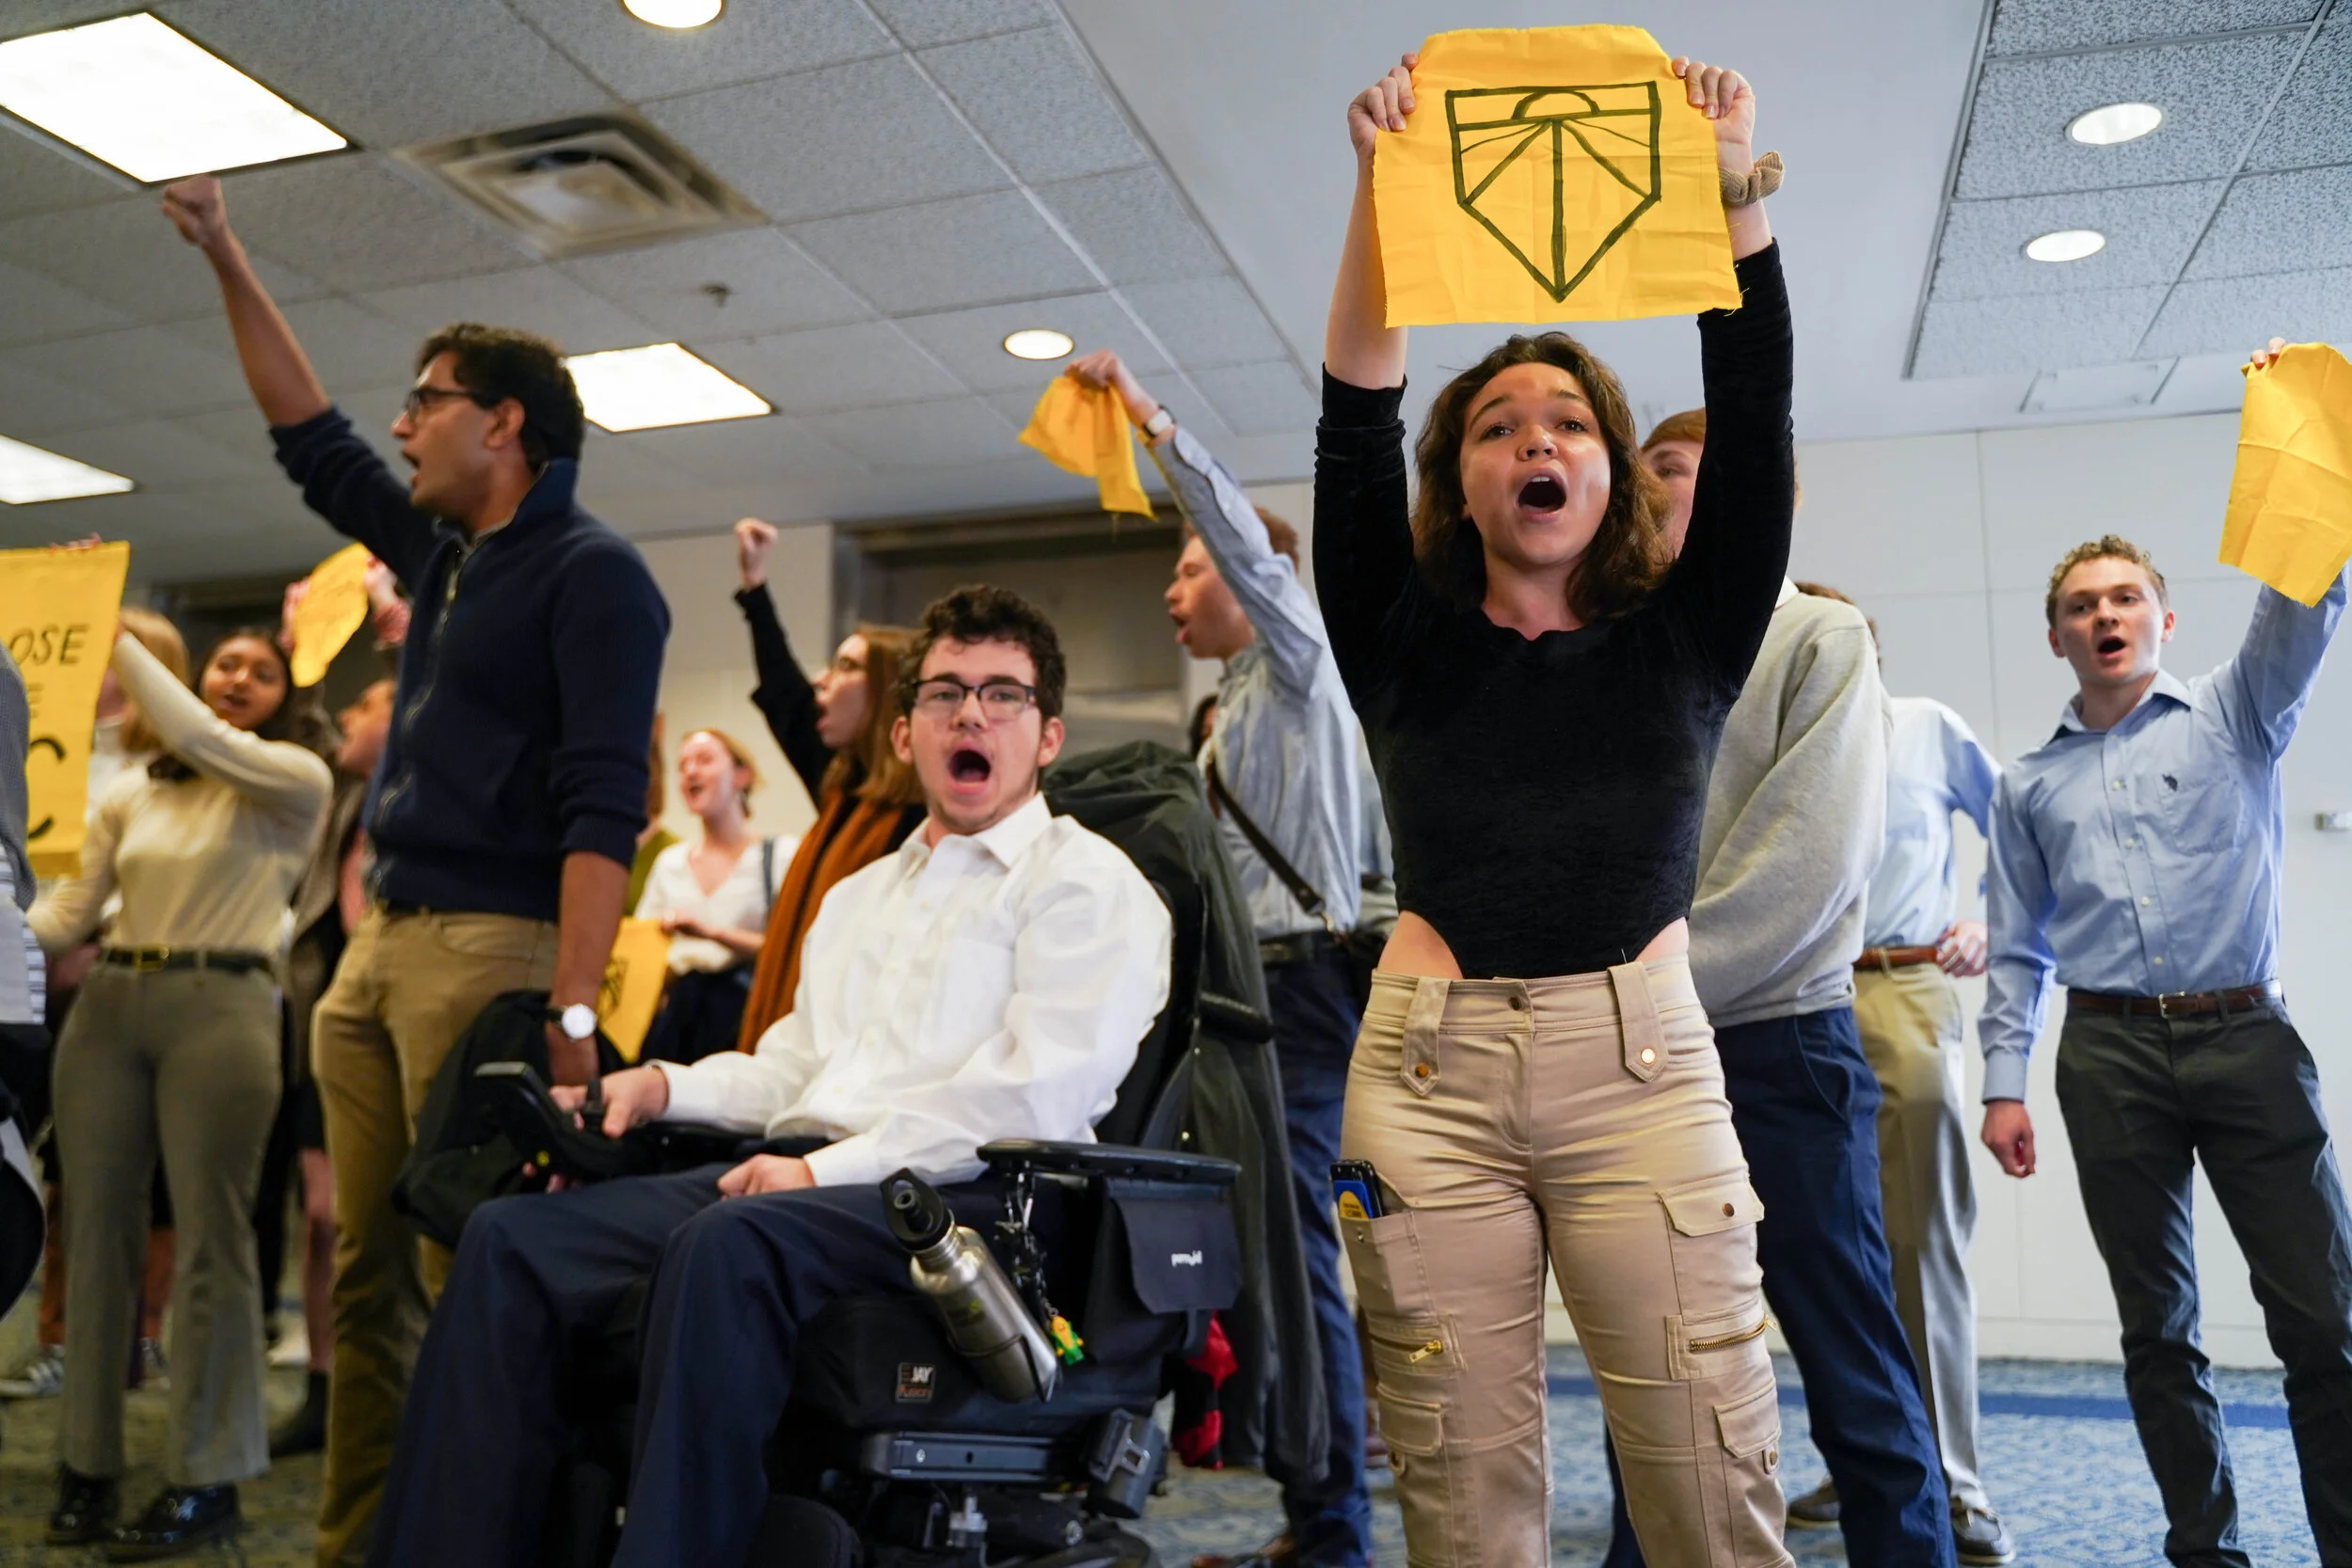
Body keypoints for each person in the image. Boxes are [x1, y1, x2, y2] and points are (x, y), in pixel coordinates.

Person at [369, 584, 1173, 1568]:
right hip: (808, 1179)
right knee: (508, 1238)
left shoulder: (1086, 883)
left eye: (1002, 694)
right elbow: (797, 1066)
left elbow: (1027, 1096)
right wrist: (663, 1085)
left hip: (974, 1201)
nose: (970, 712)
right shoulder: (860, 894)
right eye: (945, 691)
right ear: (908, 725)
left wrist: (820, 1173)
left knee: (725, 1242)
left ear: (1046, 735)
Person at [1319, 51, 1795, 1567]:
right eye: (1499, 424)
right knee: (1460, 1498)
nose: (1538, 440)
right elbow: (1351, 413)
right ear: (1460, 481)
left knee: (1711, 1483)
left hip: (1645, 1074)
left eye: (1572, 422)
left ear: (1614, 476)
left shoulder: (1693, 629)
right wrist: (1380, 189)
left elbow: (1757, 401)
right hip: (1418, 1081)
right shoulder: (1392, 633)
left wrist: (1729, 195)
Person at [159, 171, 670, 1567]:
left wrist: (571, 1018)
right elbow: (309, 438)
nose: (402, 423)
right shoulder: (446, 558)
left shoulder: (596, 575)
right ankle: (361, 1545)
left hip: (492, 959)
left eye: (429, 397)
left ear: (504, 424)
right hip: (379, 952)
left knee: (474, 1276)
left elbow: (602, 811)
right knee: (364, 1271)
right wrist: (227, 251)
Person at [1980, 466, 2352, 1566]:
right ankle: (2206, 1550)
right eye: (2081, 605)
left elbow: (2304, 596)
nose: (2105, 615)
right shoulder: (2027, 785)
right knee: (2157, 1329)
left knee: (2324, 1324)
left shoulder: (2237, 711)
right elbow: (2014, 941)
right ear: (2056, 637)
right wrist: (2003, 1081)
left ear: (2162, 617)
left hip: (2247, 1040)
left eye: (2124, 596)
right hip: (2107, 1057)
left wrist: (2306, 451)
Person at [1597, 429, 1953, 1568]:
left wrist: (1625, 998)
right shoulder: (1618, 652)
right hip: (1639, 1065)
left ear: (1759, 496)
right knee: (1648, 1378)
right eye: (1641, 462)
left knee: (1851, 1362)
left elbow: (1801, 879)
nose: (1641, 478)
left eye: (1670, 460)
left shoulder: (1820, 635)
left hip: (1774, 1049)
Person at [1064, 346, 1372, 1568]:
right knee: (1306, 1256)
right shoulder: (1236, 715)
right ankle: (1323, 1511)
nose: (1175, 589)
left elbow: (1245, 534)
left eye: (1193, 567)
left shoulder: (1299, 670)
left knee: (1303, 1259)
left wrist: (1148, 418)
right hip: (1270, 1009)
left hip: (1302, 1008)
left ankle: (1336, 1529)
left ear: (1261, 581)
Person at [29, 623, 332, 1557]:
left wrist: (110, 633)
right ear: (200, 672)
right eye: (225, 663)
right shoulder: (130, 790)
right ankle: (88, 1464)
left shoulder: (292, 777)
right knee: (93, 1236)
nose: (240, 677)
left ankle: (208, 1477)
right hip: (113, 1005)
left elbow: (195, 735)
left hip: (225, 1003)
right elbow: (67, 917)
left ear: (283, 693)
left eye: (261, 669)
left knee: (213, 1243)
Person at [1774, 589, 2010, 1561]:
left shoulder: (1924, 728)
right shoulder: (1770, 742)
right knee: (1825, 1256)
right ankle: (1864, 1455)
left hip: (1902, 990)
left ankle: (1954, 1482)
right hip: (1786, 1003)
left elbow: (2024, 835)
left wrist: (1991, 921)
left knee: (1921, 1246)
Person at [1, 607, 187, 1405]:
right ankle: (58, 1336)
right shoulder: (59, 747)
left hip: (153, 987)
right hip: (50, 973)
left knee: (143, 1181)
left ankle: (137, 1329)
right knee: (61, 1172)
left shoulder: (189, 766)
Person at [731, 518, 928, 1048]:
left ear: (889, 691)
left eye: (845, 667)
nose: (822, 680)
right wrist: (755, 588)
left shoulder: (924, 819)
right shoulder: (840, 789)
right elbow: (785, 691)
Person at [269, 676, 396, 1460]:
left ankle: (390, 1386)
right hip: (327, 1018)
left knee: (384, 1218)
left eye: (367, 705)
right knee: (322, 1218)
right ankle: (324, 1385)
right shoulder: (340, 796)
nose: (349, 718)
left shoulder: (427, 799)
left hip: (400, 1024)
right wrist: (309, 665)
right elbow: (312, 737)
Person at [631, 727, 789, 1065]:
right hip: (677, 1023)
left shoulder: (779, 856)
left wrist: (710, 932)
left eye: (704, 760)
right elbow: (645, 949)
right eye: (683, 764)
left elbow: (788, 951)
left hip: (746, 1021)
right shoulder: (670, 862)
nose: (690, 771)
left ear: (741, 775)